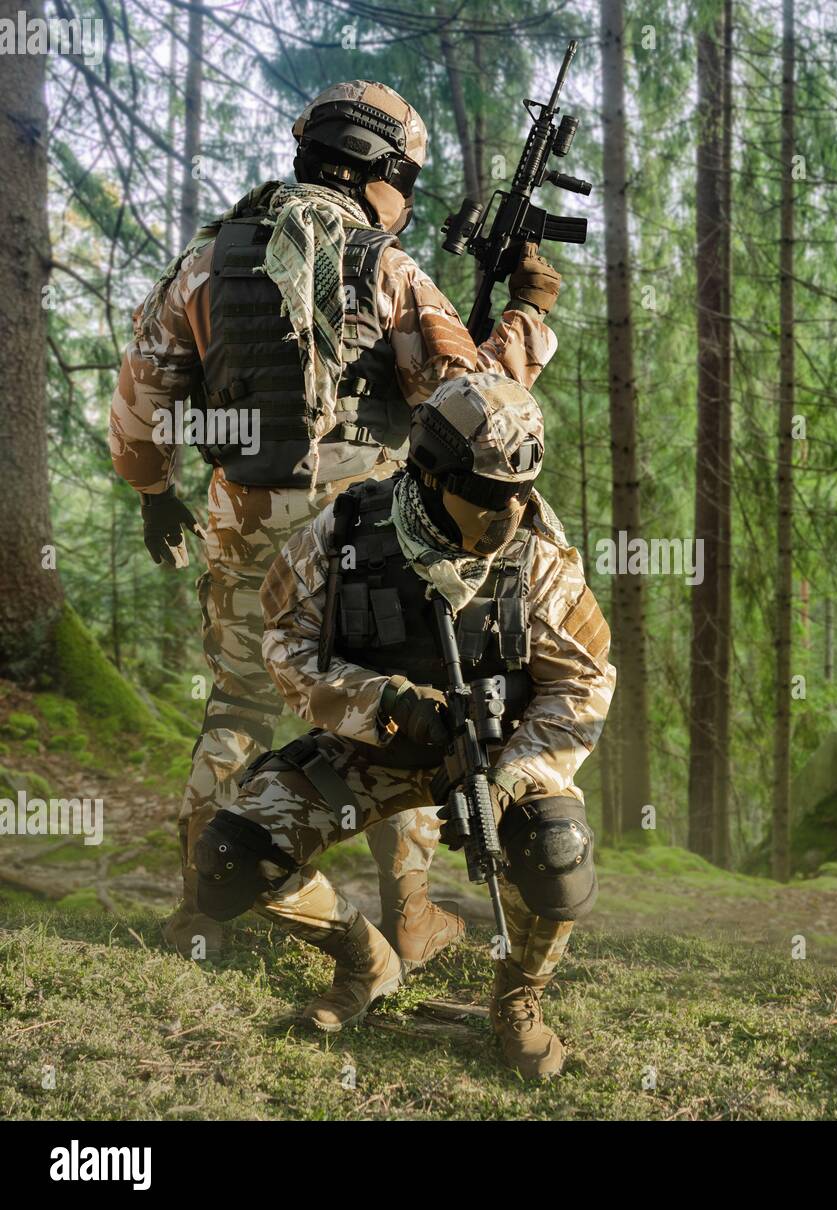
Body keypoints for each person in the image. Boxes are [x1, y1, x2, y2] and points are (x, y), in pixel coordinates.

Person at [107, 80, 562, 966]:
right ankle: (412, 913)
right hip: (368, 531)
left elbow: (142, 399)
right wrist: (531, 313)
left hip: (243, 517)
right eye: (408, 183)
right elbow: (477, 402)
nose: (408, 203)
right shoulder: (388, 270)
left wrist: (152, 492)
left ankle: (204, 906)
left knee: (239, 700)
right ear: (378, 171)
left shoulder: (206, 260)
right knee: (402, 709)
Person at [193, 373, 612, 1078]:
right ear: (430, 471)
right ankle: (366, 961)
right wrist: (379, 700)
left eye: (519, 490)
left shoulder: (540, 557)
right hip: (370, 748)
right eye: (485, 491)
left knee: (557, 855)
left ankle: (517, 999)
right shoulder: (348, 529)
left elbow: (584, 681)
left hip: (498, 755)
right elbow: (285, 644)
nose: (508, 510)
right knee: (230, 860)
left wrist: (517, 777)